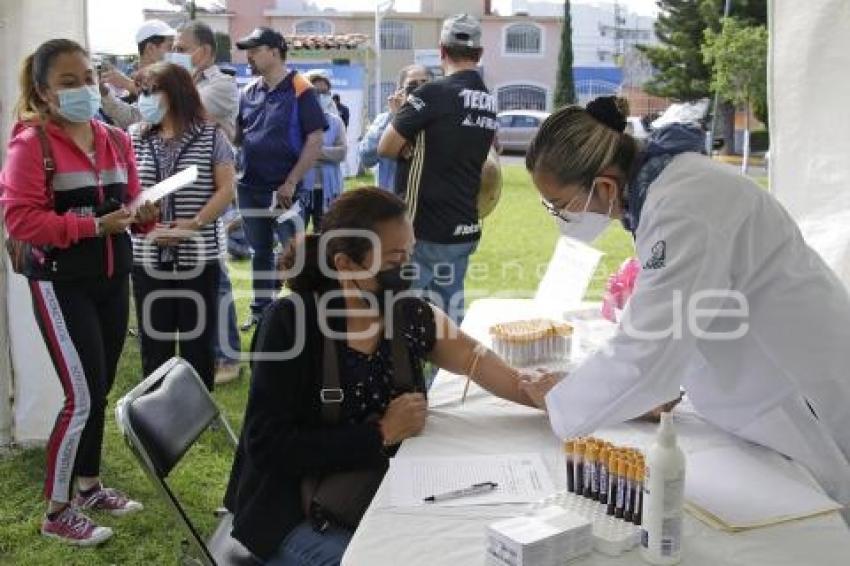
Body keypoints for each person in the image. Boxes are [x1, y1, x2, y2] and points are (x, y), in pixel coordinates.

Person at [519, 96, 850, 515]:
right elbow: (685, 315)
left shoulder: (684, 208)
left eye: (560, 206)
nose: (559, 217)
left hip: (800, 391)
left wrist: (561, 401)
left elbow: (647, 350)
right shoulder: (668, 189)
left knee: (823, 516)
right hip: (762, 384)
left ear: (604, 185)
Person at [224, 188, 537, 564]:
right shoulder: (291, 323)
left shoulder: (408, 315)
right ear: (346, 264)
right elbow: (268, 445)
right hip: (293, 513)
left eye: (410, 253)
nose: (409, 268)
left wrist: (547, 395)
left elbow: (480, 362)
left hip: (379, 492)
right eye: (395, 259)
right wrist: (381, 433)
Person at [0, 39, 158, 545]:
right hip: (62, 284)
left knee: (101, 383)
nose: (84, 89)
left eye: (89, 78)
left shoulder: (115, 137)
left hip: (114, 279)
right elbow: (20, 218)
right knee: (82, 396)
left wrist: (145, 215)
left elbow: (130, 205)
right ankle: (57, 510)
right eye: (69, 82)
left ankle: (89, 485)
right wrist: (93, 227)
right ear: (44, 94)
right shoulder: (32, 144)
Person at [378, 14, 497, 324]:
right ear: (479, 53)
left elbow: (386, 148)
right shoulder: (487, 101)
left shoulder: (433, 93)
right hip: (465, 227)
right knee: (447, 321)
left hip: (424, 229)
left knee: (404, 318)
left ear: (442, 51)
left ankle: (408, 372)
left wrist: (400, 116)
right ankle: (447, 374)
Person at [128, 61, 235, 391]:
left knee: (197, 343)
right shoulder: (136, 137)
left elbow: (226, 189)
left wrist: (194, 224)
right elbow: (127, 193)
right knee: (154, 342)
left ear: (175, 93)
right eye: (142, 92)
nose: (143, 99)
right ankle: (154, 416)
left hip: (198, 256)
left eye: (150, 91)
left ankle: (194, 412)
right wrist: (139, 213)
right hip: (148, 258)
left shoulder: (211, 135)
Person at [234, 27, 327, 331]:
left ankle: (307, 311)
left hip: (285, 191)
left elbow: (315, 140)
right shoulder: (247, 91)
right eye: (247, 50)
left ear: (274, 51)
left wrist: (291, 181)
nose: (248, 56)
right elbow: (238, 138)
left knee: (295, 253)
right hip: (249, 187)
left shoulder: (301, 88)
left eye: (254, 49)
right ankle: (262, 310)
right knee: (259, 252)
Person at [172, 20, 243, 384]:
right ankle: (207, 352)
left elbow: (184, 111)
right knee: (193, 275)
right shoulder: (187, 82)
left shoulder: (222, 85)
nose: (177, 54)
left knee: (215, 276)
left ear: (205, 51)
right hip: (180, 189)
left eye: (182, 48)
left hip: (213, 187)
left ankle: (228, 356)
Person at [359, 64, 431, 191]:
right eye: (412, 85)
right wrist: (395, 118)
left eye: (424, 84)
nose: (419, 89)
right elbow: (367, 158)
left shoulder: (437, 118)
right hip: (392, 199)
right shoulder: (385, 120)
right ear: (399, 91)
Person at [99, 19, 178, 127]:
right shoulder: (118, 80)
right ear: (150, 48)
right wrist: (105, 92)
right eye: (170, 47)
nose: (174, 53)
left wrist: (129, 84)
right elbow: (132, 117)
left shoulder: (171, 80)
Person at [302, 69, 347, 232]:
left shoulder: (335, 122)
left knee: (326, 236)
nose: (321, 96)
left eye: (325, 92)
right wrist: (327, 153)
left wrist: (313, 151)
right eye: (316, 92)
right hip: (302, 189)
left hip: (329, 189)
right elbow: (294, 151)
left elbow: (341, 152)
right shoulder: (296, 119)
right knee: (295, 236)